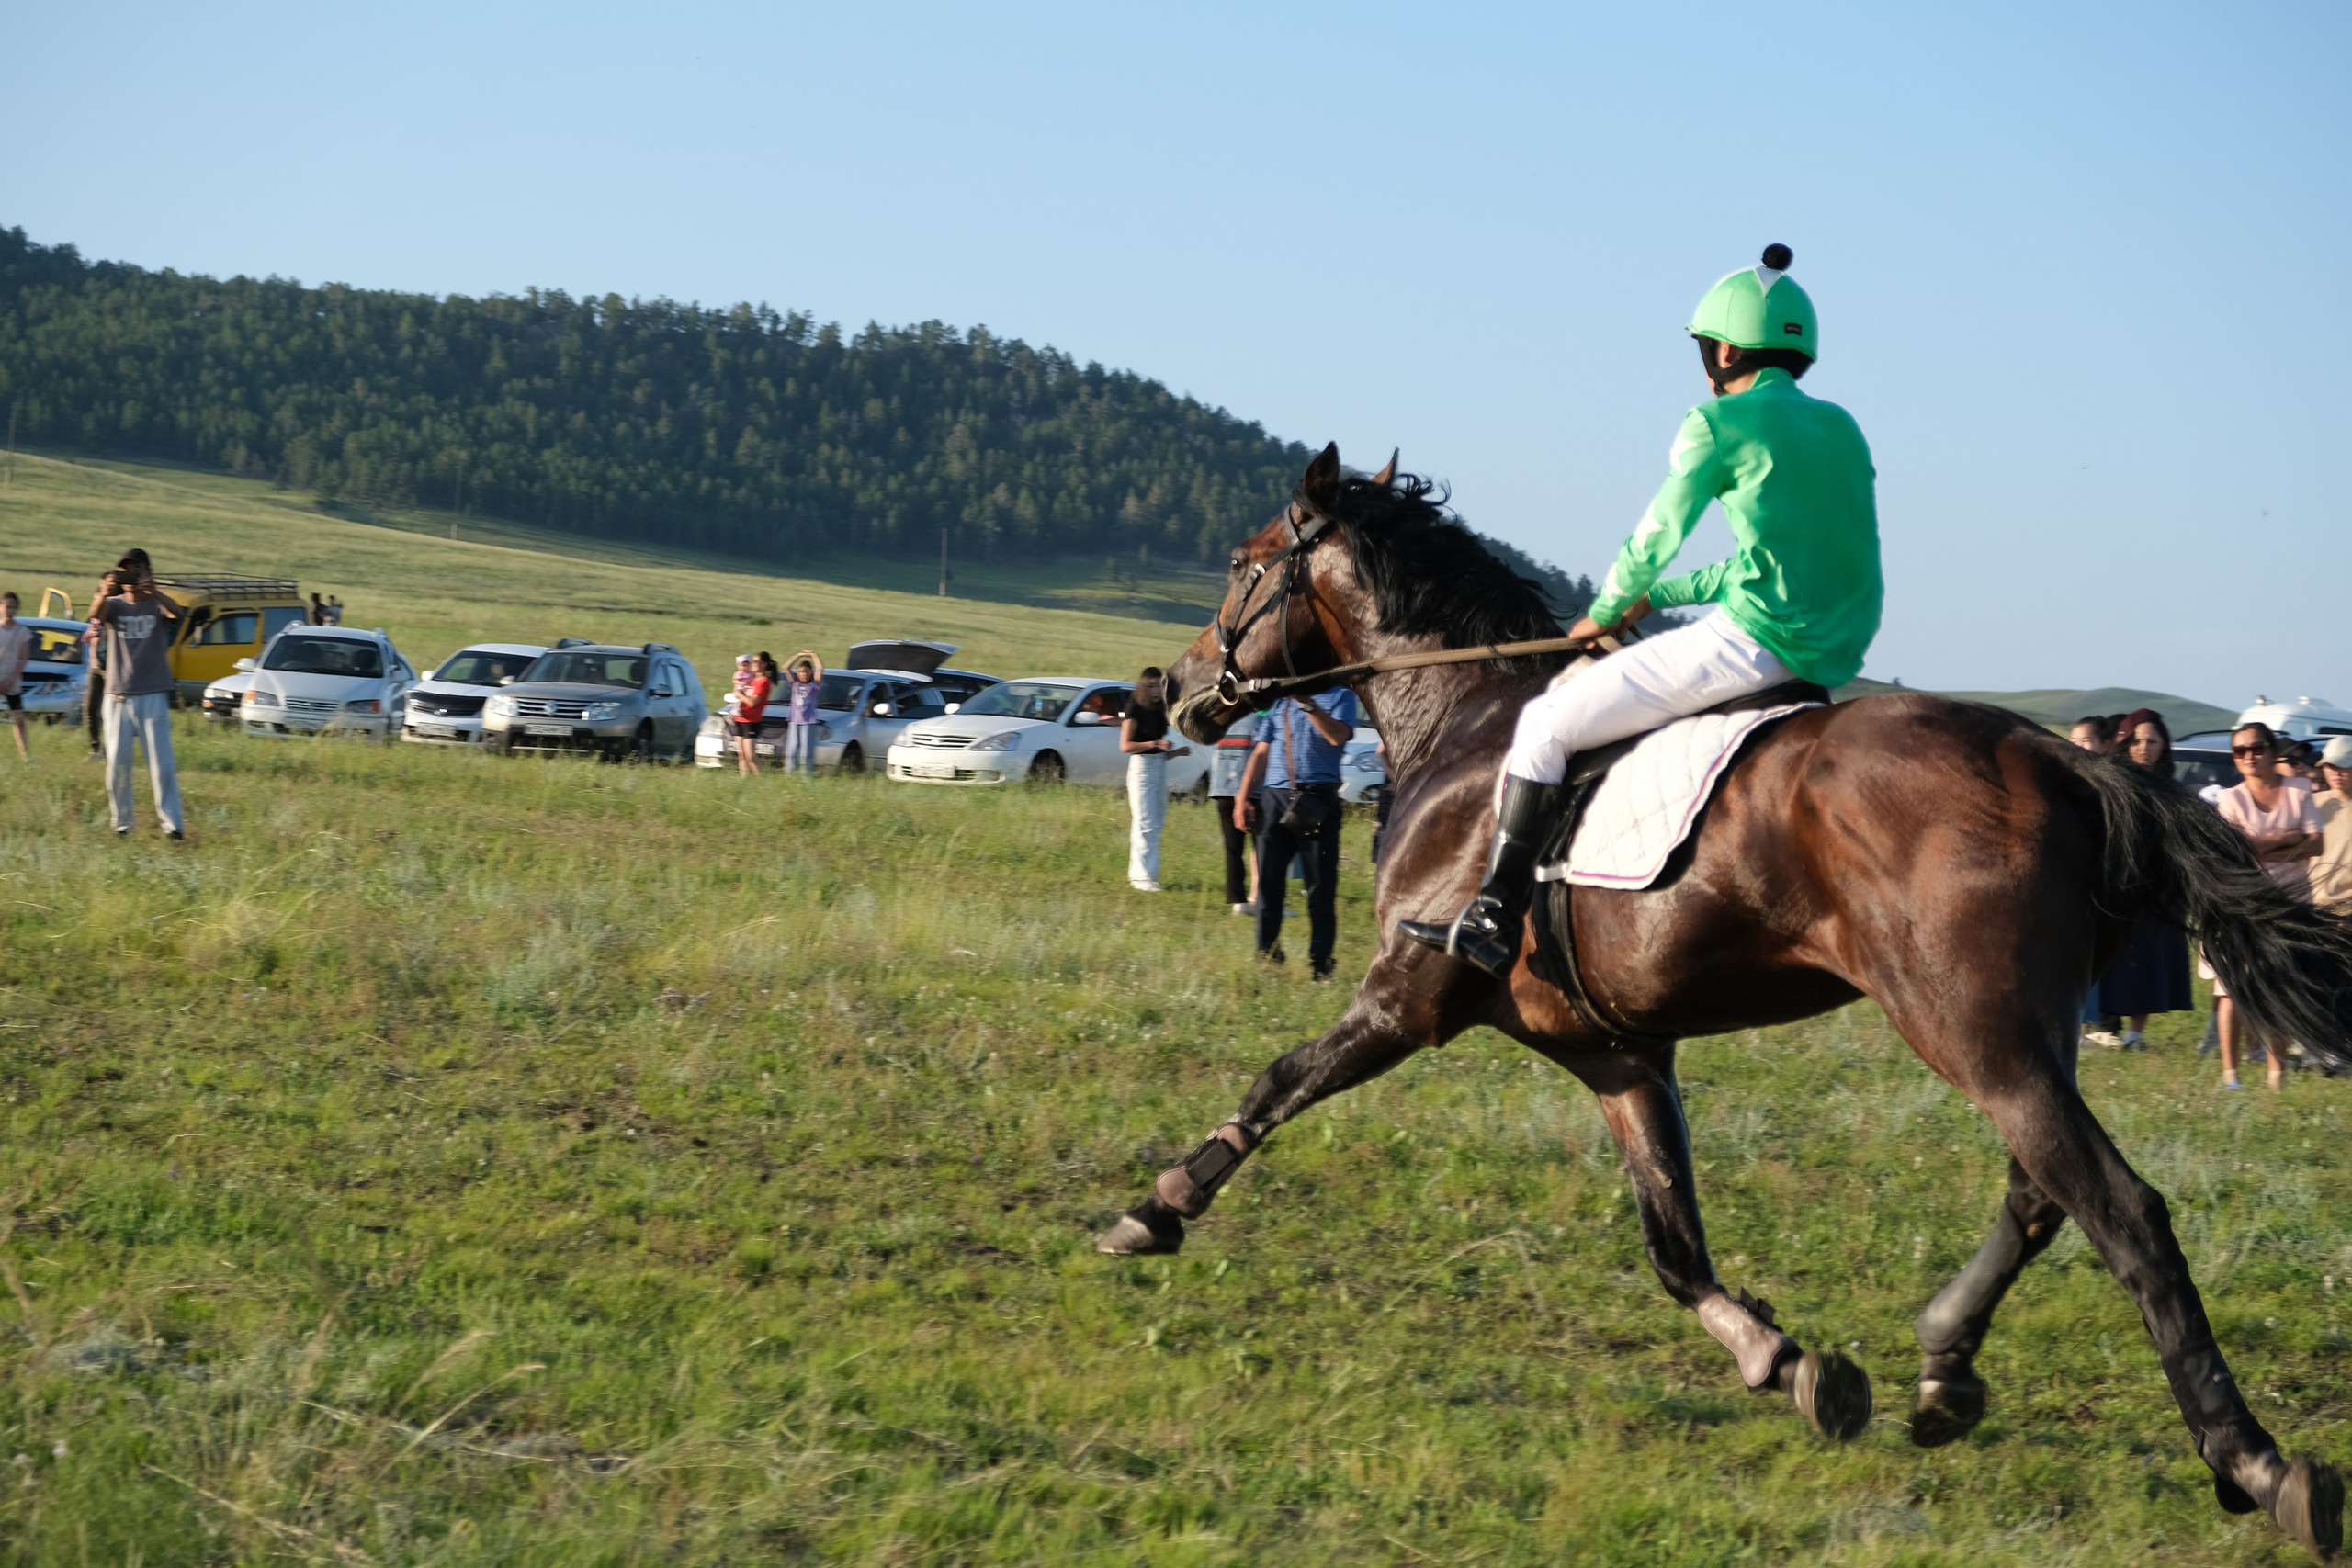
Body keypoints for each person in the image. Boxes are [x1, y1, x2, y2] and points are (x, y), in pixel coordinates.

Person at [1403, 244, 1881, 973]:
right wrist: (1661, 599)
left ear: (1721, 349)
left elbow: (1658, 533)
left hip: (1755, 641)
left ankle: (1495, 914)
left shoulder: (1717, 423)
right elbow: (1770, 564)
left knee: (1545, 723)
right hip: (1836, 652)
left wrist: (1609, 608)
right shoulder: (1843, 428)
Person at [2211, 721, 2321, 1089]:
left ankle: (2278, 1072)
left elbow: (2316, 845)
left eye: (2257, 748)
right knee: (2231, 988)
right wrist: (2288, 837)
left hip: (2292, 904)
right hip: (2245, 903)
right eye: (2240, 750)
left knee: (2281, 985)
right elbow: (2241, 852)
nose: (2249, 756)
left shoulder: (2300, 789)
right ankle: (2231, 1076)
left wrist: (2263, 844)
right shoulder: (2230, 799)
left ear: (2274, 752)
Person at [1238, 687, 1360, 978]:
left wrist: (1308, 705)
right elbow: (1262, 751)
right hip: (1275, 797)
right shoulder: (1281, 699)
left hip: (1319, 800)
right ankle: (1267, 955)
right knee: (1268, 883)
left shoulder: (1342, 696)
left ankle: (1320, 965)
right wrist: (1242, 798)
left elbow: (1337, 736)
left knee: (1320, 888)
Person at [2090, 710, 2193, 1048]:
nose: (2144, 747)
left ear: (2163, 745)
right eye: (2136, 740)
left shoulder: (2174, 792)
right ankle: (2100, 1026)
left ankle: (2135, 1033)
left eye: (2152, 741)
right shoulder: (2112, 782)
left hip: (2160, 888)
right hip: (2116, 881)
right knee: (2106, 954)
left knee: (2149, 959)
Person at [88, 556, 186, 840]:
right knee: (117, 765)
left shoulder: (156, 603)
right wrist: (104, 593)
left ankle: (173, 826)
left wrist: (154, 590)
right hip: (118, 695)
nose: (130, 576)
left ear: (147, 572)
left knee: (163, 764)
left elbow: (178, 613)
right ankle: (122, 825)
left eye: (135, 570)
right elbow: (96, 616)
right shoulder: (114, 605)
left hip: (153, 692)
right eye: (125, 571)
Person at [1120, 668, 1191, 892]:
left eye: (1159, 685)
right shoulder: (1135, 707)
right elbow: (1126, 746)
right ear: (1142, 687)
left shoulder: (1160, 710)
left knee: (1156, 822)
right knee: (1145, 822)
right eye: (1150, 686)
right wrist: (1155, 744)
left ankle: (1144, 874)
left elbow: (1158, 751)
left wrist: (1174, 753)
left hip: (1158, 766)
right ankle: (1142, 878)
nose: (1156, 691)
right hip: (1141, 770)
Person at [1208, 733, 1261, 915]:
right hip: (1252, 791)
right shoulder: (1261, 718)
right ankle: (1263, 897)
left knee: (1233, 849)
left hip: (1221, 788)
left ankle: (1238, 900)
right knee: (1264, 847)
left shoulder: (1223, 720)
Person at [2312, 734, 2352, 914]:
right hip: (2311, 908)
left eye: (2343, 766)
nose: (2336, 773)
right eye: (2330, 766)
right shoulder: (2310, 803)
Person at [0, 591, 33, 761]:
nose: (9, 610)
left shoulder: (22, 632)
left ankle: (26, 757)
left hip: (12, 682)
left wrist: (10, 680)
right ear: (0, 607)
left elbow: (23, 659)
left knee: (18, 719)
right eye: (7, 606)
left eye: (13, 607)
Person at [782, 651, 824, 776]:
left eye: (806, 671)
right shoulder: (795, 683)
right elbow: (786, 667)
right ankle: (790, 775)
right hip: (795, 721)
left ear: (811, 672)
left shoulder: (814, 685)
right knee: (792, 750)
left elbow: (820, 668)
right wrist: (798, 656)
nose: (803, 674)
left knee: (807, 751)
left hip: (809, 722)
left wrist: (813, 655)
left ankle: (807, 776)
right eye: (800, 671)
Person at [731, 654, 772, 777]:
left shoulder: (764, 682)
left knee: (750, 756)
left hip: (751, 722)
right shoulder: (753, 680)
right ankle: (744, 780)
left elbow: (753, 702)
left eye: (755, 661)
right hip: (740, 718)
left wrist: (740, 696)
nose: (752, 663)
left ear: (763, 664)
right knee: (742, 755)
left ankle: (761, 782)